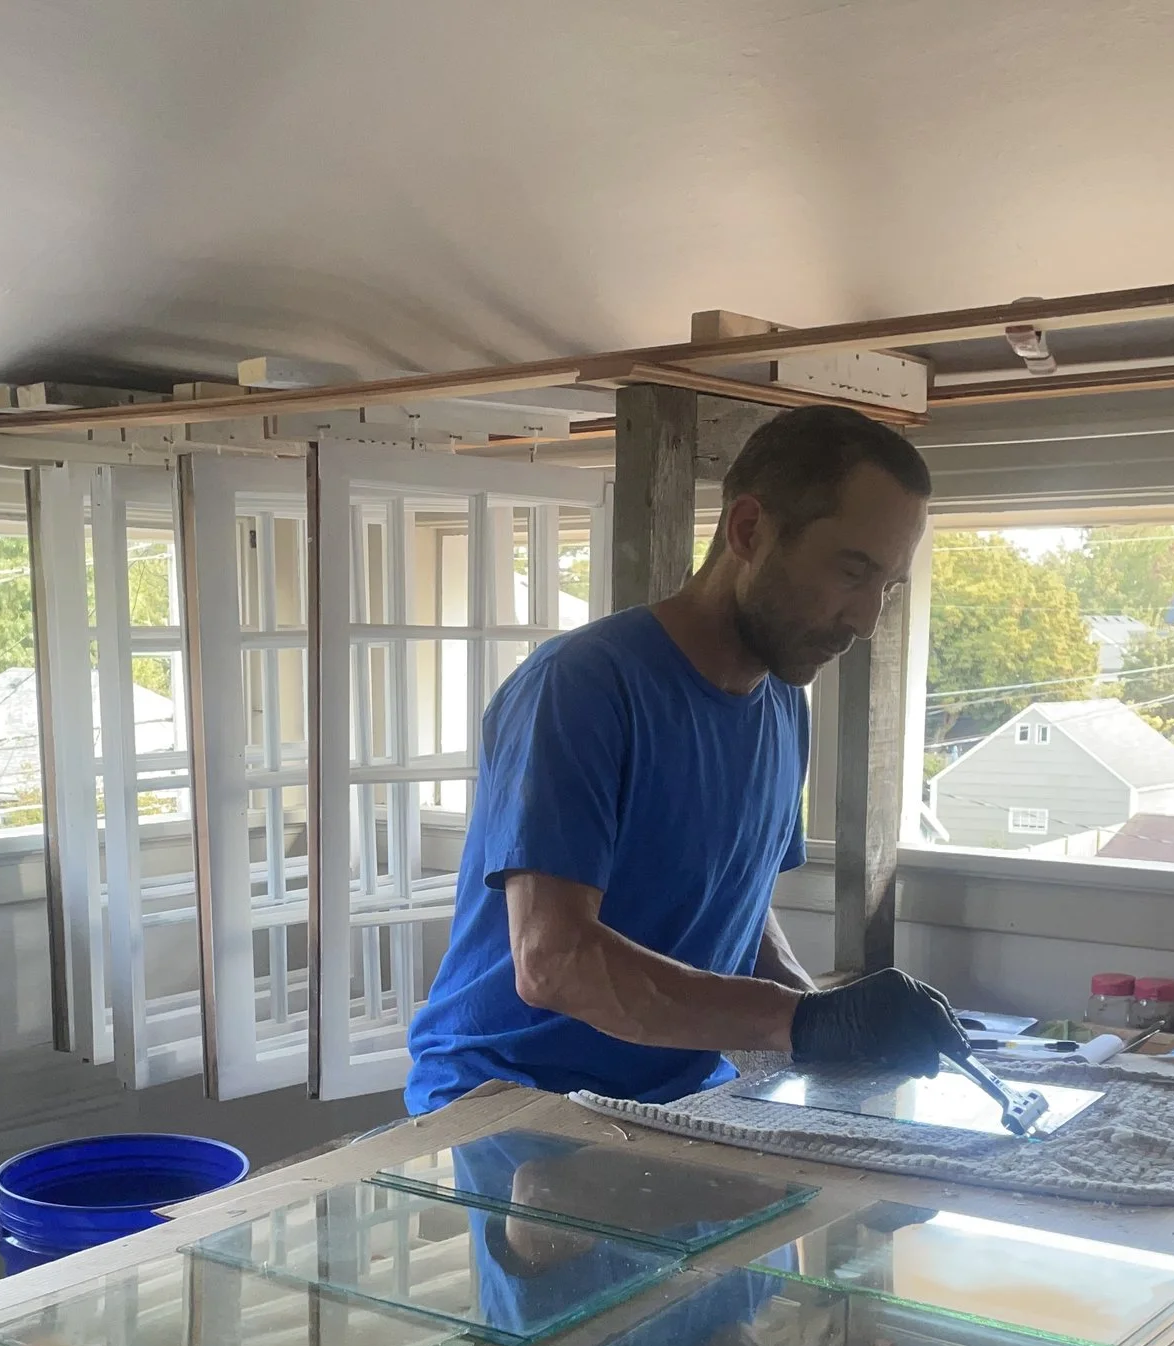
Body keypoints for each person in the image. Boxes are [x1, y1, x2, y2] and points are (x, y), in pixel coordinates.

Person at [404, 404, 968, 1115]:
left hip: (677, 1103)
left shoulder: (783, 706)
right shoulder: (583, 686)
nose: (864, 619)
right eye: (851, 571)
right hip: (509, 1104)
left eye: (886, 587)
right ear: (749, 530)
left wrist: (828, 1018)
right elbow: (553, 963)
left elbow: (735, 902)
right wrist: (794, 1020)